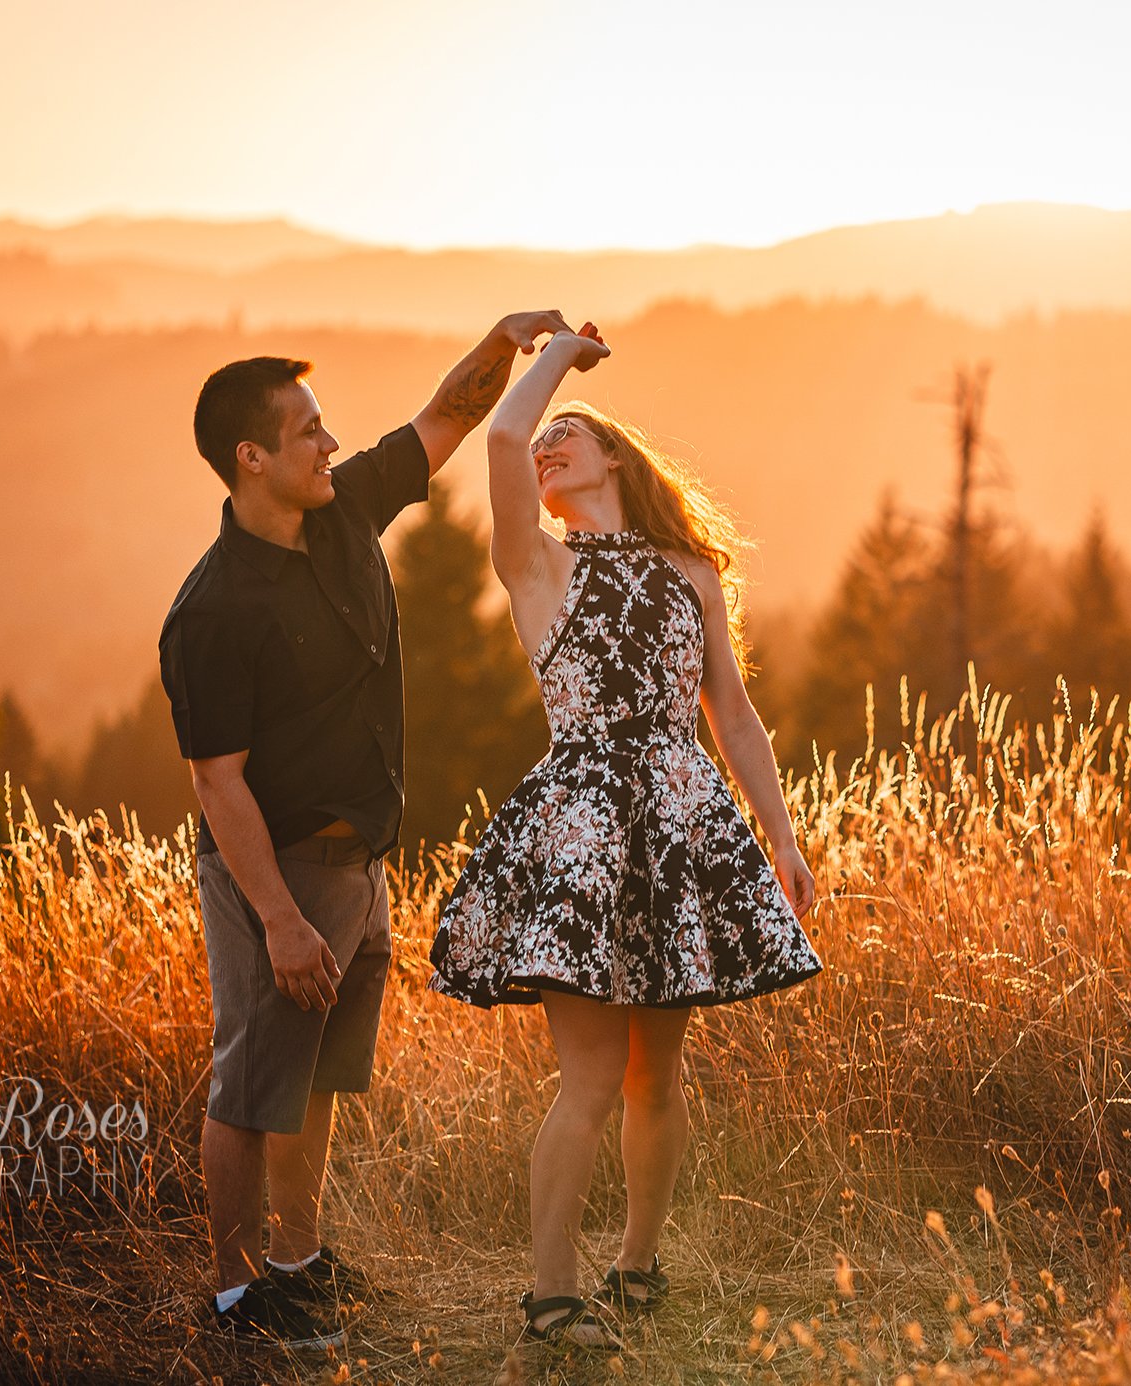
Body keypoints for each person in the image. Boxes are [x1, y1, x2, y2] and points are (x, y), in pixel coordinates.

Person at [161, 311, 575, 1350]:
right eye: (307, 431)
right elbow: (219, 785)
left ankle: (298, 1266)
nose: (330, 443)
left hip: (361, 863)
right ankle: (233, 1295)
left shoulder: (343, 513)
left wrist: (502, 343)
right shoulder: (212, 612)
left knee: (319, 1078)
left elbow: (443, 417)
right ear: (250, 459)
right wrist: (280, 920)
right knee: (253, 1083)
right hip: (281, 875)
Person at [428, 325, 823, 1350]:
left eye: (572, 435)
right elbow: (502, 443)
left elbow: (731, 715)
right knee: (592, 1078)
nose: (548, 444)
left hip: (684, 822)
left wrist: (780, 838)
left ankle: (637, 1267)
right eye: (546, 438)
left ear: (614, 459)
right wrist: (556, 356)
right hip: (586, 834)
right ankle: (551, 1297)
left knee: (660, 1074)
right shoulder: (536, 564)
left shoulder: (691, 571)